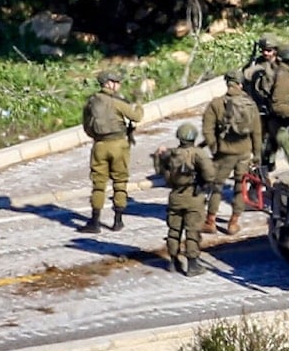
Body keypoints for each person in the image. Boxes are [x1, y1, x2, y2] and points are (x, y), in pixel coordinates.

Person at [79, 71, 143, 234]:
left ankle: (94, 222)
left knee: (98, 184)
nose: (119, 84)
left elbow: (86, 125)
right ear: (109, 83)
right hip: (118, 144)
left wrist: (97, 137)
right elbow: (136, 117)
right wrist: (139, 104)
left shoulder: (91, 102)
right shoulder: (117, 102)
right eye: (116, 81)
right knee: (120, 182)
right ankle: (118, 220)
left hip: (100, 145)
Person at [200, 69, 262, 235]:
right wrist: (256, 154)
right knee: (240, 187)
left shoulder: (216, 104)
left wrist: (214, 147)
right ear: (241, 84)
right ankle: (233, 223)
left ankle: (210, 221)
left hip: (224, 153)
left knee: (216, 187)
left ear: (227, 83)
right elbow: (257, 131)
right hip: (244, 152)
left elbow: (207, 129)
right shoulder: (250, 104)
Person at [153, 122, 216, 276]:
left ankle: (173, 261)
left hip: (175, 196)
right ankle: (192, 264)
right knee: (192, 231)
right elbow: (210, 175)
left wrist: (158, 156)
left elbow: (160, 172)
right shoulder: (198, 154)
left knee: (174, 230)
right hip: (193, 197)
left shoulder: (171, 154)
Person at [243, 32, 279, 163]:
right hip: (261, 106)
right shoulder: (258, 63)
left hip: (276, 105)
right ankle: (263, 162)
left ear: (275, 50)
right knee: (260, 136)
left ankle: (270, 159)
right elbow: (246, 76)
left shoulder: (281, 64)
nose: (266, 53)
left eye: (269, 50)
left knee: (275, 137)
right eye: (264, 50)